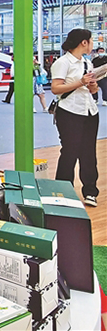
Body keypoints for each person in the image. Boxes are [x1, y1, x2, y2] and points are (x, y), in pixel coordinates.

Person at [51, 28, 99, 207]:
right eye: (91, 40)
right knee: (69, 152)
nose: (92, 44)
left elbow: (93, 90)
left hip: (89, 111)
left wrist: (93, 85)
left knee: (89, 153)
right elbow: (55, 88)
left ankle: (90, 192)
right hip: (69, 112)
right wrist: (80, 82)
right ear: (83, 42)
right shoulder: (63, 62)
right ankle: (63, 192)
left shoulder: (87, 63)